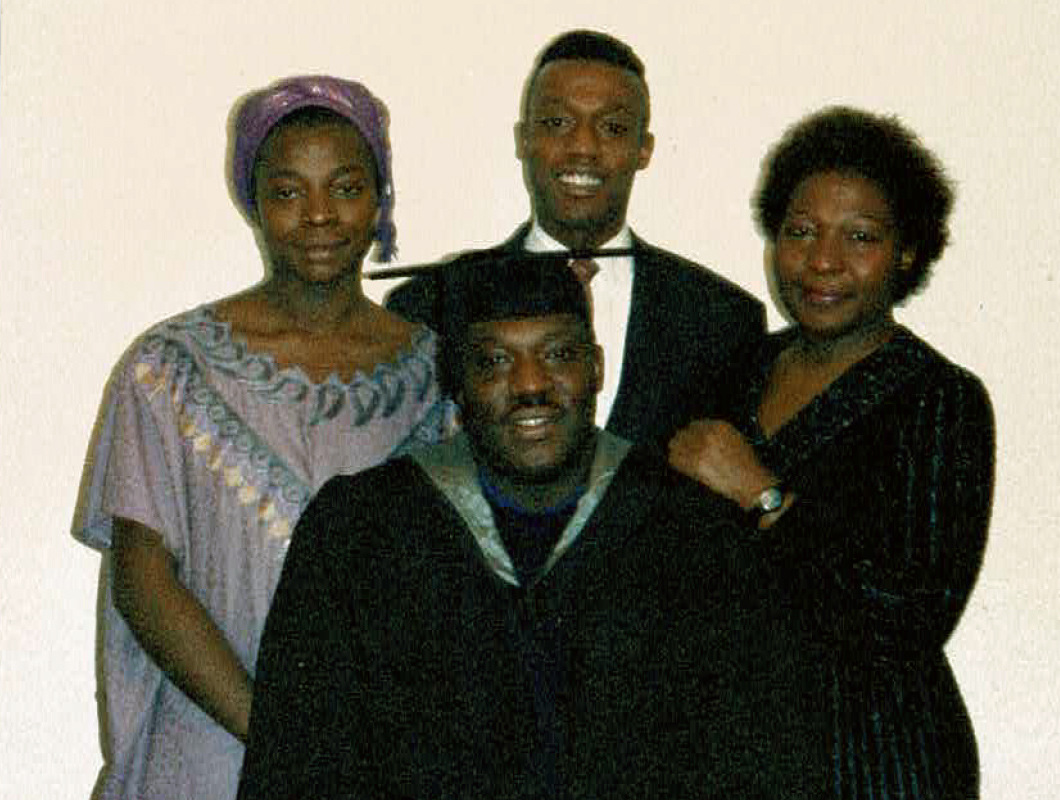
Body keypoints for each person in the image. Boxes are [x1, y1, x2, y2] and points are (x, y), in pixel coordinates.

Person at [237, 255, 801, 800]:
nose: (531, 384)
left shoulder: (691, 533)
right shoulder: (362, 535)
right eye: (495, 361)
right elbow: (300, 769)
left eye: (558, 354)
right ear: (458, 382)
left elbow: (752, 765)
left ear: (597, 367)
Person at [70, 75, 450, 800]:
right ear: (254, 203)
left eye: (345, 188)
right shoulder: (170, 368)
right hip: (210, 755)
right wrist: (281, 739)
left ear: (380, 198)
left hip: (380, 765)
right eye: (287, 191)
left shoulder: (440, 378)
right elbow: (143, 582)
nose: (319, 215)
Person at [669, 106, 995, 798]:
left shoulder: (939, 400)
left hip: (875, 763)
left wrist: (763, 496)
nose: (823, 261)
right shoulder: (731, 374)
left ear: (907, 253)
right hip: (733, 755)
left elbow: (911, 616)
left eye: (860, 237)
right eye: (801, 231)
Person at [385, 29, 764, 448]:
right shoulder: (429, 305)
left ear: (644, 149)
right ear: (523, 139)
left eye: (613, 127)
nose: (583, 147)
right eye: (557, 123)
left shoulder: (723, 320)